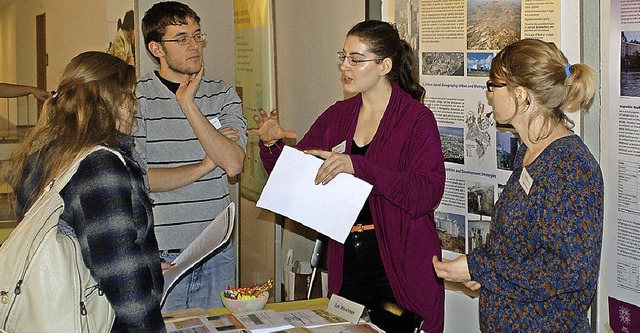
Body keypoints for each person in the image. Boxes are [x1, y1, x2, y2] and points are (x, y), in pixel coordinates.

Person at [248, 20, 445, 332]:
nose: (344, 66)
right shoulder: (338, 115)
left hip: (401, 262)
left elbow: (425, 193)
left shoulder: (416, 120)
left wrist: (359, 167)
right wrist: (273, 146)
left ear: (385, 65)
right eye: (343, 56)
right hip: (349, 260)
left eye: (356, 59)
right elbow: (295, 179)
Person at [432, 39, 603, 332]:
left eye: (492, 85)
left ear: (521, 95)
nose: (488, 94)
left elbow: (569, 273)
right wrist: (480, 271)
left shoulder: (571, 167)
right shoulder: (527, 152)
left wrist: (481, 269)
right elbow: (521, 247)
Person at [3, 51, 165, 331]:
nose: (135, 107)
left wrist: (147, 264)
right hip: (97, 320)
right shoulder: (101, 165)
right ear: (113, 102)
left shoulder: (46, 153)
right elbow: (121, 276)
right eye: (130, 96)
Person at [135, 1, 246, 311]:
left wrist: (188, 104)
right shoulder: (135, 99)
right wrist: (206, 164)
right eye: (181, 38)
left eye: (197, 36)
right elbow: (140, 179)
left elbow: (234, 163)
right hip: (161, 256)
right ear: (156, 48)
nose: (195, 45)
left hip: (217, 252)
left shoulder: (221, 93)